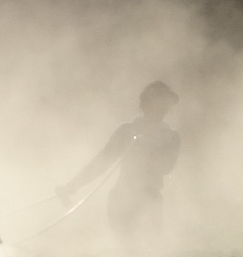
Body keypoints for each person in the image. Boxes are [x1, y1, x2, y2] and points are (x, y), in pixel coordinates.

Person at [56, 81, 180, 248]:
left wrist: (147, 147)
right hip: (122, 200)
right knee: (129, 251)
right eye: (155, 104)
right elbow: (102, 162)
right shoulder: (127, 131)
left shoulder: (171, 137)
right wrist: (72, 186)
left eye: (163, 105)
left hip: (150, 201)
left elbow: (167, 167)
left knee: (149, 252)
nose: (160, 110)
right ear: (144, 106)